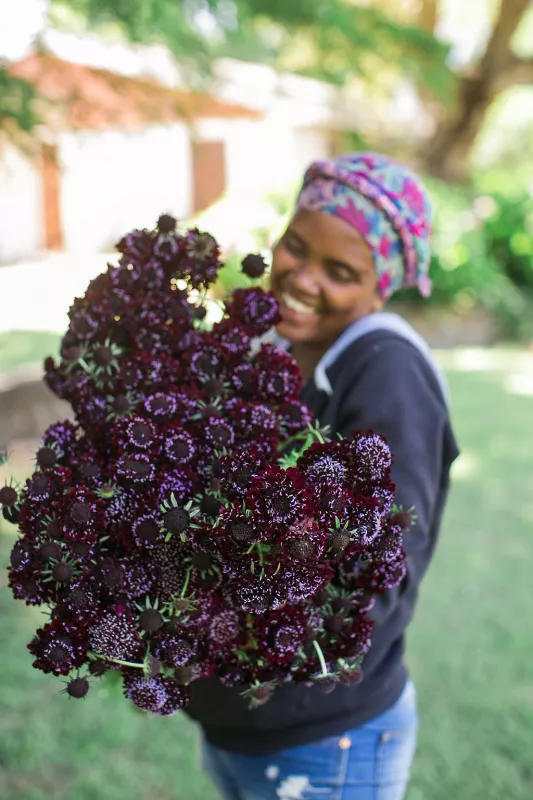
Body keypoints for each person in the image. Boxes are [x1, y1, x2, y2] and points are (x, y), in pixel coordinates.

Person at [185, 152, 460, 800]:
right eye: (295, 247)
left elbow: (378, 575)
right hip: (245, 728)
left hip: (323, 741)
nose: (302, 279)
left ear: (378, 286)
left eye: (339, 272)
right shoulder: (281, 352)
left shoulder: (386, 372)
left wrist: (230, 631)